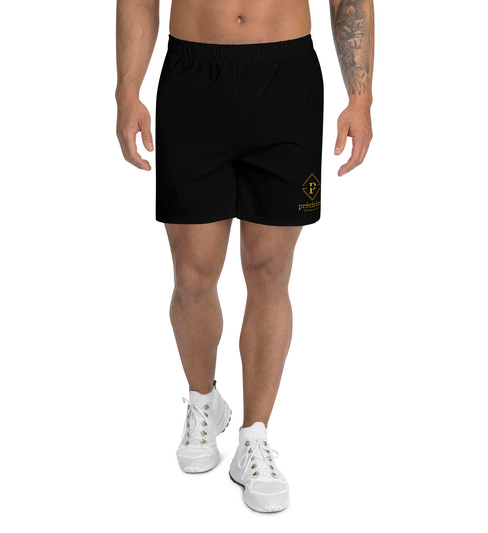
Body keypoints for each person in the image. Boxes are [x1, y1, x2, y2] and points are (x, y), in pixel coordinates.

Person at [115, 0, 374, 513]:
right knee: (193, 273)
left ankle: (255, 436)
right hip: (193, 76)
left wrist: (360, 98)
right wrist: (127, 91)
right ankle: (203, 401)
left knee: (269, 270)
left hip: (286, 78)